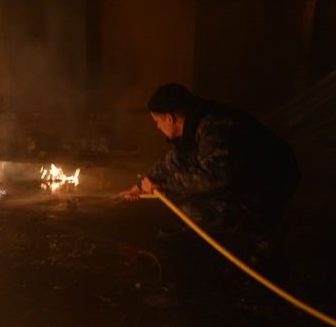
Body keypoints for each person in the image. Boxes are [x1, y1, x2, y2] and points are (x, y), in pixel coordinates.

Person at [120, 83, 300, 270]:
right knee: (177, 161)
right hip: (244, 175)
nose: (158, 127)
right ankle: (202, 226)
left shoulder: (216, 128)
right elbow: (175, 160)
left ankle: (268, 233)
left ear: (169, 118)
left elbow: (214, 176)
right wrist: (141, 185)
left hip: (268, 184)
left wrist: (165, 186)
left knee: (191, 209)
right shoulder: (195, 122)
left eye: (157, 121)